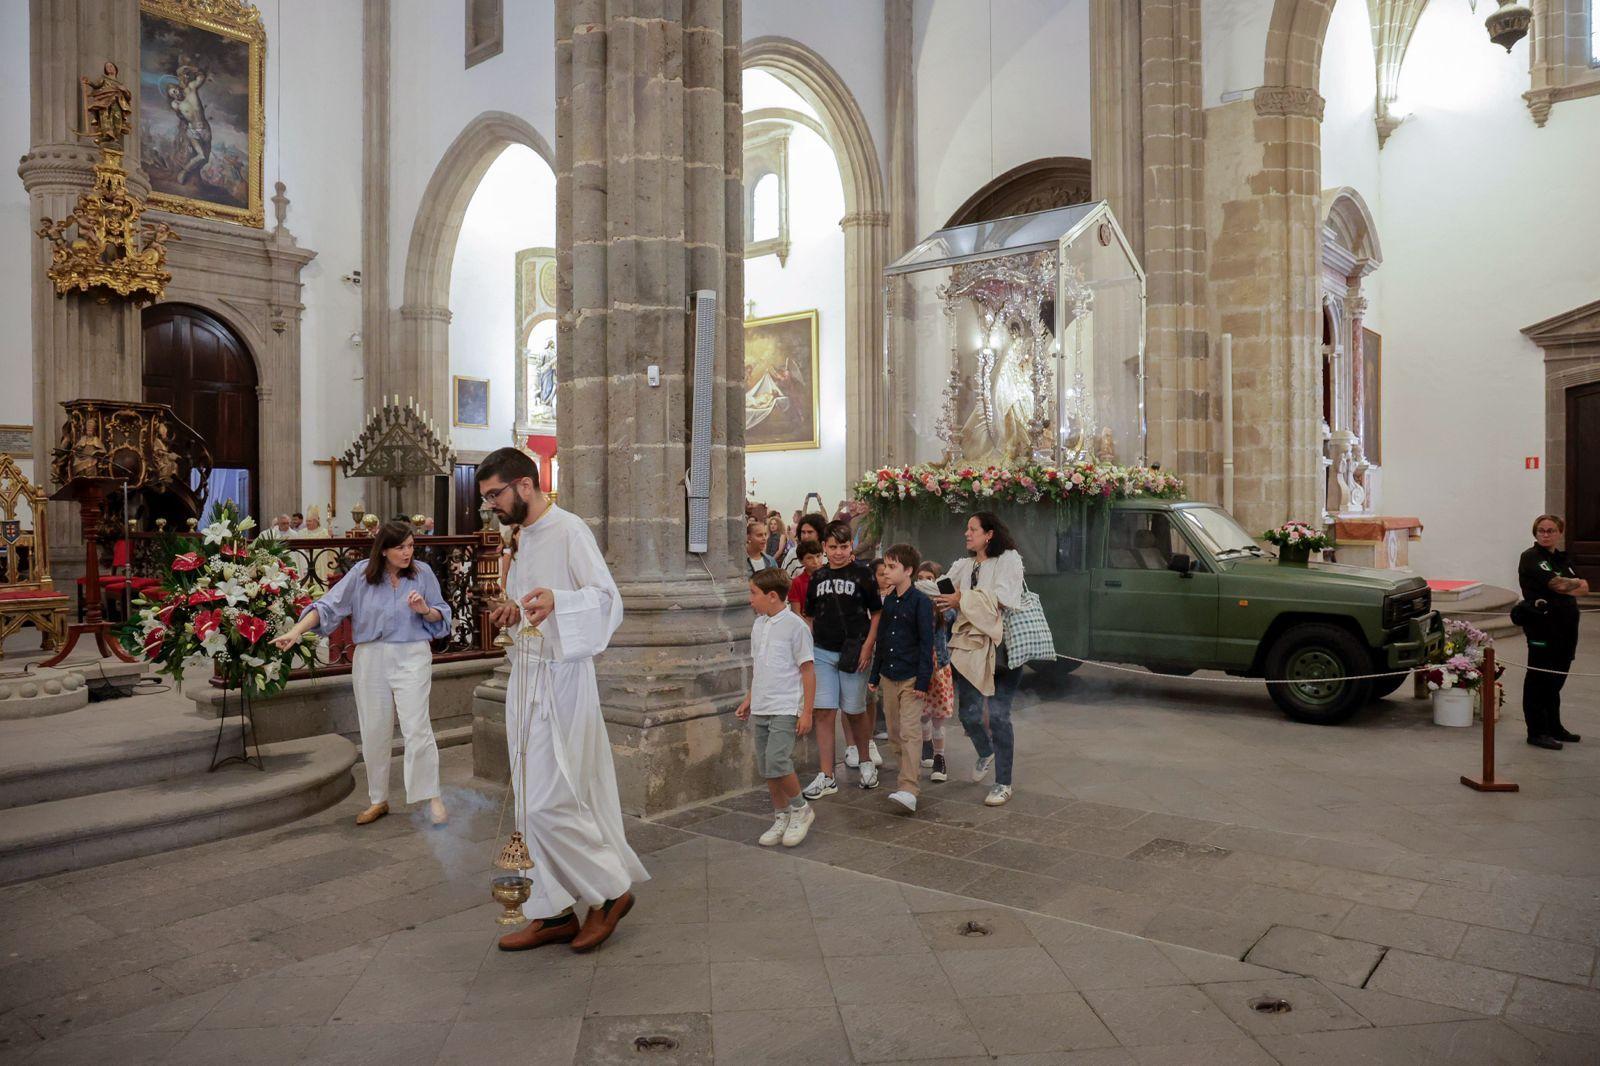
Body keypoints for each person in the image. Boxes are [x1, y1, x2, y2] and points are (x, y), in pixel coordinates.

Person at [476, 447, 648, 953]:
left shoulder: (570, 530)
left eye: (495, 495)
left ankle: (610, 891)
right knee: (529, 803)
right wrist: (514, 611)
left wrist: (561, 602)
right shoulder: (521, 537)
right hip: (526, 676)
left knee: (553, 800)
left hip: (563, 680)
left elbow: (608, 600)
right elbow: (530, 605)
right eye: (487, 498)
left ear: (525, 485)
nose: (491, 506)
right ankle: (551, 911)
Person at [272, 520, 451, 827]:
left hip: (411, 654)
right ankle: (378, 799)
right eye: (400, 547)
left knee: (417, 727)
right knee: (374, 729)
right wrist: (296, 631)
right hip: (371, 657)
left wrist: (424, 610)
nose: (407, 552)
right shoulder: (360, 575)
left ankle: (431, 796)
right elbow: (328, 606)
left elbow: (441, 615)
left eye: (410, 546)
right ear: (383, 550)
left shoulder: (422, 573)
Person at [935, 511, 1026, 807]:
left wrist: (961, 598)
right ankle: (985, 751)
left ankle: (1003, 783)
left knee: (998, 716)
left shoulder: (1008, 560)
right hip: (970, 649)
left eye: (973, 529)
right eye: (967, 529)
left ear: (989, 534)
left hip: (1002, 649)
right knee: (969, 715)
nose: (967, 533)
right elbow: (942, 588)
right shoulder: (965, 565)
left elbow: (1002, 599)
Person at [735, 568, 817, 847]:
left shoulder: (796, 627)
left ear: (772, 596)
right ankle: (781, 815)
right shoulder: (758, 625)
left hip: (785, 705)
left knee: (778, 760)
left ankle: (801, 809)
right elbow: (760, 667)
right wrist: (750, 698)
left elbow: (807, 670)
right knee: (768, 766)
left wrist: (806, 712)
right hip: (762, 704)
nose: (750, 599)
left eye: (753, 593)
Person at [802, 521, 882, 798]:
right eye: (833, 547)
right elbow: (809, 614)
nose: (838, 552)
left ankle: (865, 760)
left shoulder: (863, 573)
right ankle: (826, 775)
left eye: (844, 546)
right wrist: (811, 645)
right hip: (823, 651)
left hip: (854, 650)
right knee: (824, 711)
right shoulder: (818, 577)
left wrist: (868, 645)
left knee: (854, 710)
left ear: (851, 547)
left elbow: (876, 612)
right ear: (824, 547)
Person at [870, 545, 936, 813]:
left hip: (911, 678)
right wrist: (875, 674)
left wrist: (922, 681)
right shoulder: (888, 601)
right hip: (889, 675)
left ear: (908, 570)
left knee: (910, 732)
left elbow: (926, 643)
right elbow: (882, 639)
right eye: (885, 566)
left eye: (892, 566)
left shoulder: (921, 602)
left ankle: (909, 787)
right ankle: (905, 779)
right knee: (895, 733)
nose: (886, 571)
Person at [1518, 514, 1588, 750]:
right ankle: (1537, 731)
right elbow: (1556, 584)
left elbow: (1585, 588)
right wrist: (1572, 584)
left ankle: (1554, 726)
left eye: (1550, 531)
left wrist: (1572, 584)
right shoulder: (1531, 557)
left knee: (1557, 679)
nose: (1545, 535)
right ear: (1535, 533)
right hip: (1542, 626)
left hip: (1566, 628)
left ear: (1559, 533)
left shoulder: (1562, 558)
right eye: (1541, 530)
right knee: (1539, 679)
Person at [915, 560, 954, 783]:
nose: (924, 583)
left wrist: (939, 596)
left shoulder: (943, 606)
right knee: (921, 713)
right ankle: (926, 743)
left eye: (929, 579)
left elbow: (951, 616)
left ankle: (940, 757)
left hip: (939, 666)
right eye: (920, 579)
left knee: (938, 716)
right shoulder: (912, 602)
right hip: (918, 666)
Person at [777, 514, 828, 578]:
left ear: (819, 534)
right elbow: (784, 579)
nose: (806, 536)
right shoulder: (793, 553)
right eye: (803, 532)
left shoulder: (828, 553)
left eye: (810, 532)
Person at [788, 540, 824, 617]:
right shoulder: (797, 582)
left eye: (818, 556)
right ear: (801, 561)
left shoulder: (831, 577)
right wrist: (808, 624)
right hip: (806, 622)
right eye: (809, 558)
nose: (815, 561)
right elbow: (796, 613)